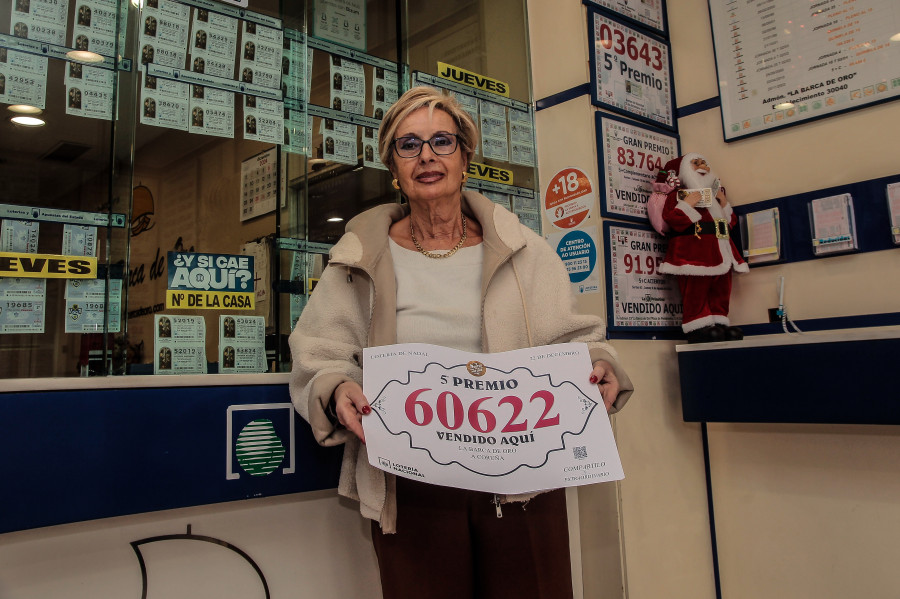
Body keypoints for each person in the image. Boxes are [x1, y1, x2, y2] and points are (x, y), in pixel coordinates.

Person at [289, 86, 634, 599]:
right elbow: (319, 354)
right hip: (412, 482)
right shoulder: (359, 258)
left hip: (525, 479)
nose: (426, 156)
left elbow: (573, 339)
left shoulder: (524, 251)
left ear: (465, 157)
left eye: (441, 142)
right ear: (394, 167)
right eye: (409, 145)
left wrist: (600, 365)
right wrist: (337, 388)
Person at [657, 152, 748, 342]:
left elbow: (729, 223)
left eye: (704, 163)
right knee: (696, 291)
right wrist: (687, 205)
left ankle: (719, 322)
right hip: (694, 253)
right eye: (695, 163)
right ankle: (697, 325)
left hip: (721, 250)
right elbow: (673, 219)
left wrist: (724, 203)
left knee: (721, 289)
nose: (702, 166)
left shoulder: (715, 196)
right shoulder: (678, 196)